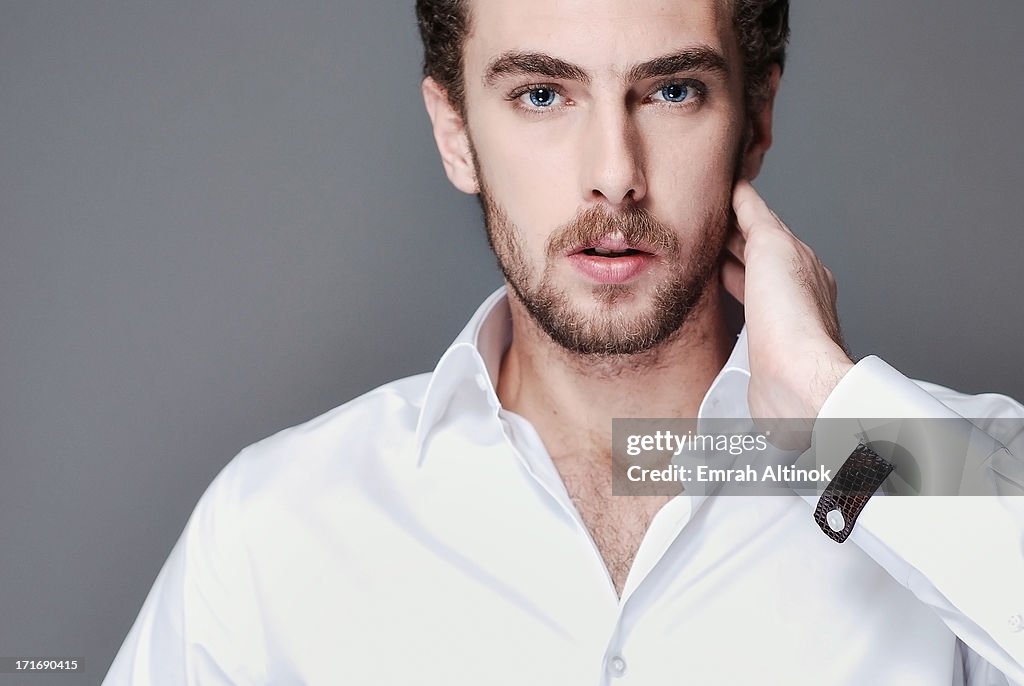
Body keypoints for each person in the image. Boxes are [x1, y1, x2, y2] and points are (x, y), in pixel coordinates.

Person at [103, 0, 1024, 683]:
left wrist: (835, 408)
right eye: (543, 95)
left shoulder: (956, 464)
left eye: (672, 90)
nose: (613, 176)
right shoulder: (273, 527)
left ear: (757, 123)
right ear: (456, 134)